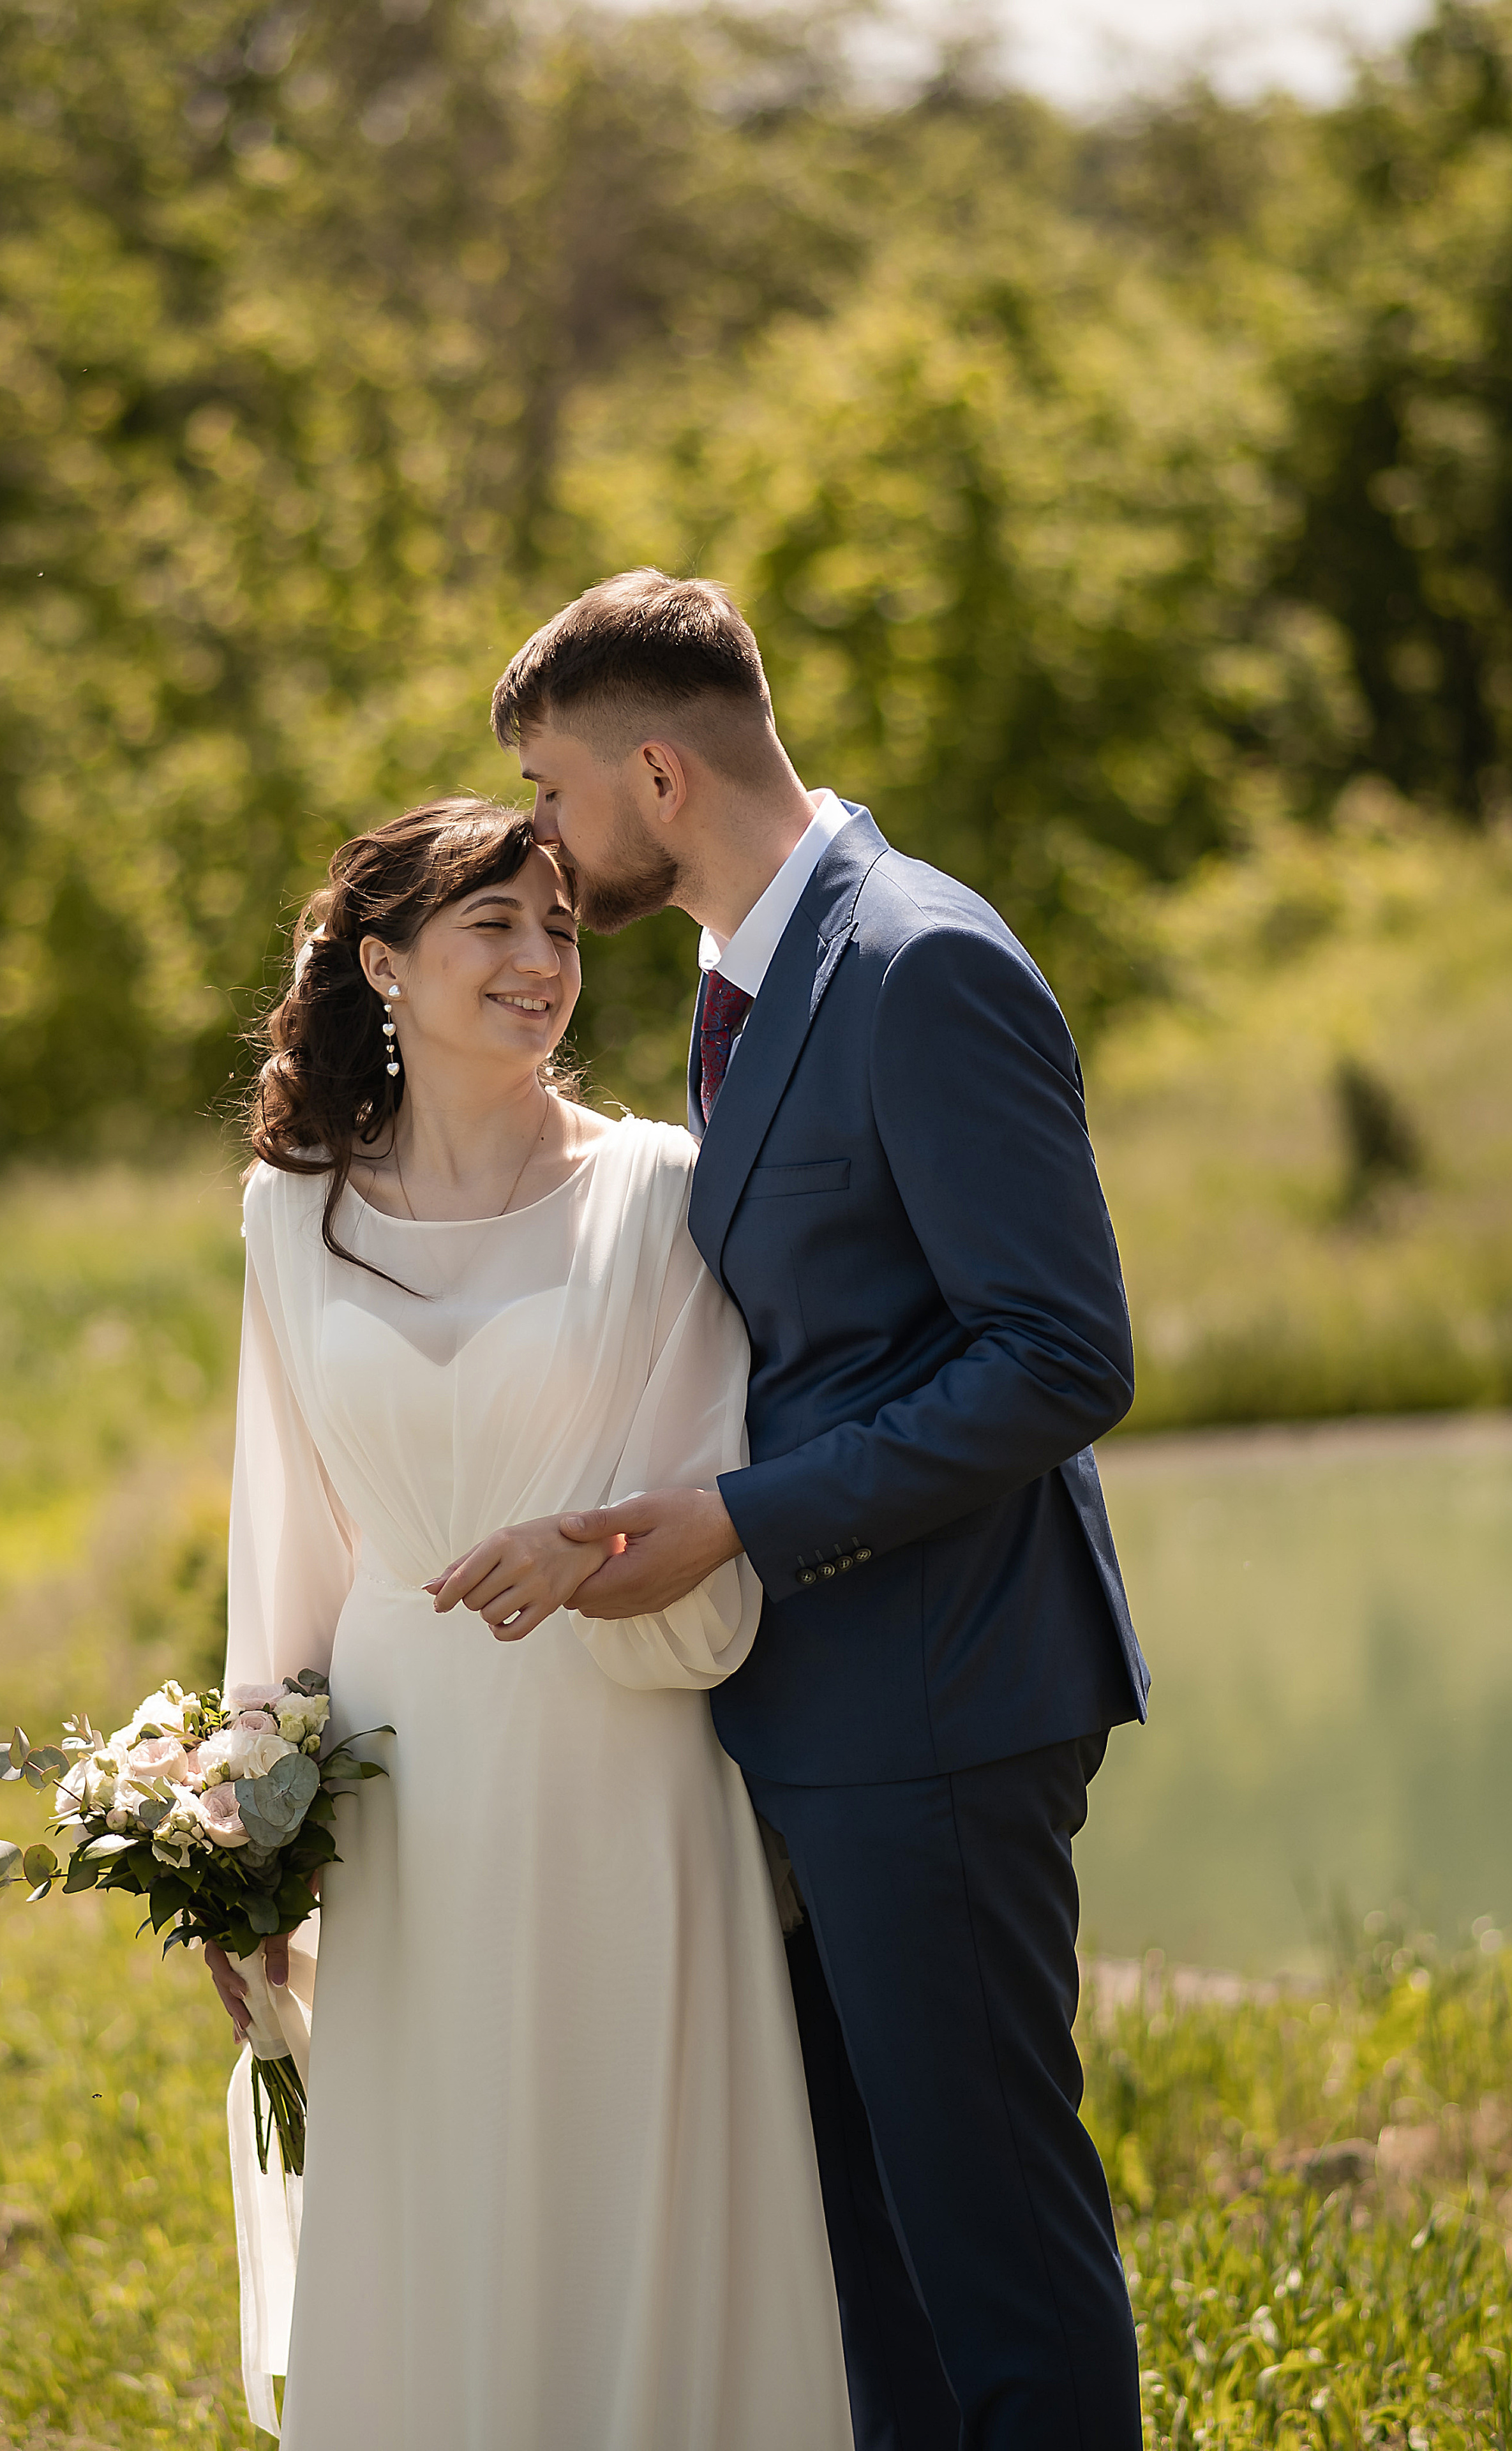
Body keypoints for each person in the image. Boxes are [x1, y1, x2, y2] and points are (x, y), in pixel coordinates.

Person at [440, 572, 1152, 2450]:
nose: (541, 835)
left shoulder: (919, 962)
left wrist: (742, 1520)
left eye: (553, 788)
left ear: (657, 770)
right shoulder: (746, 965)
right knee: (872, 2254)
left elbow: (1060, 1354)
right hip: (822, 1706)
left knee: (991, 2245)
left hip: (946, 1692)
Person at [204, 797, 854, 2450]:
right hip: (400, 1786)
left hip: (619, 1766)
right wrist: (241, 1825)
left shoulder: (660, 1195)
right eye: (492, 922)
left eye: (560, 926)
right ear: (384, 963)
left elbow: (716, 1510)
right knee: (436, 2186)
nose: (540, 958)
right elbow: (283, 1551)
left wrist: (594, 1553)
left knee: (628, 2180)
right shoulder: (293, 1214)